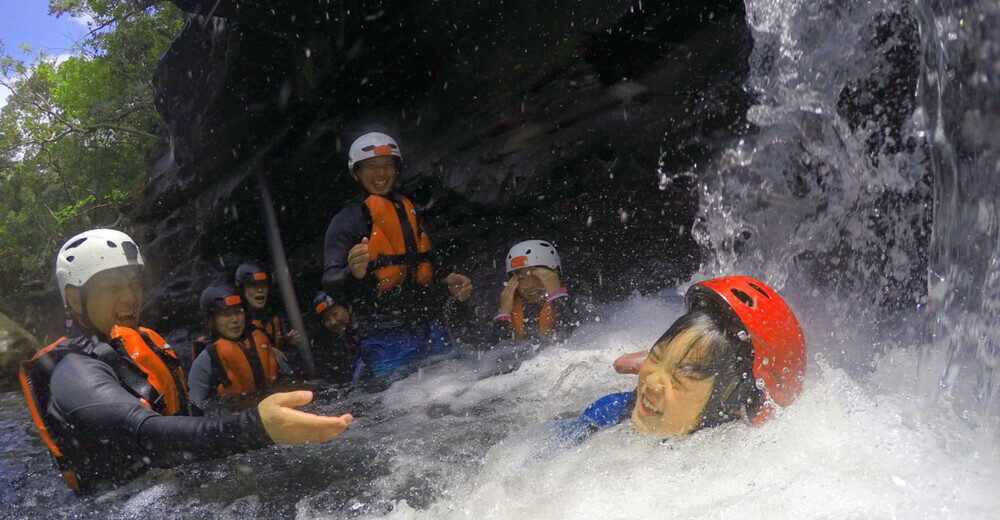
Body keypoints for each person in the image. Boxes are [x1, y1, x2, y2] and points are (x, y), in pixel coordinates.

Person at [19, 229, 352, 494]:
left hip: (169, 488)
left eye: (134, 283)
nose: (131, 297)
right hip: (124, 504)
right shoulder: (73, 373)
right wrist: (257, 427)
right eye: (112, 287)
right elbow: (146, 433)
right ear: (75, 298)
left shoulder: (128, 344)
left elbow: (188, 418)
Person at [560, 276, 806, 441]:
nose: (652, 383)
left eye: (680, 379)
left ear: (732, 403)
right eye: (656, 357)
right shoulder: (609, 414)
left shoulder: (736, 466)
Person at [322, 132, 473, 378]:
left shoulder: (409, 209)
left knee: (456, 391)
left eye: (387, 166)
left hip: (429, 326)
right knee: (400, 404)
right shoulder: (345, 221)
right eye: (372, 166)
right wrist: (353, 272)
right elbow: (331, 283)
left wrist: (447, 280)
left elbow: (423, 265)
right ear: (355, 173)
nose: (381, 174)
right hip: (384, 340)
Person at [186, 283, 286, 408]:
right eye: (226, 314)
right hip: (234, 421)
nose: (235, 320)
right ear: (212, 320)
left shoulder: (262, 344)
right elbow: (196, 409)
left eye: (238, 312)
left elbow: (290, 381)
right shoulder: (207, 360)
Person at [490, 239, 594, 344]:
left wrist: (557, 295)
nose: (529, 285)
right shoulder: (506, 305)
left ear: (554, 274)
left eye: (536, 276)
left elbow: (585, 334)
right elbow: (494, 353)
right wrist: (503, 315)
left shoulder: (575, 294)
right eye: (521, 278)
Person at [235, 262, 300, 351]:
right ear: (242, 290)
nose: (260, 290)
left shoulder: (274, 315)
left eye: (263, 284)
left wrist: (287, 342)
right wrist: (268, 350)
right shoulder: (236, 320)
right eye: (253, 285)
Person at [309, 291, 360, 380]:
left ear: (348, 307)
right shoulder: (334, 342)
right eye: (326, 319)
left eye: (335, 313)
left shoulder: (371, 329)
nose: (333, 322)